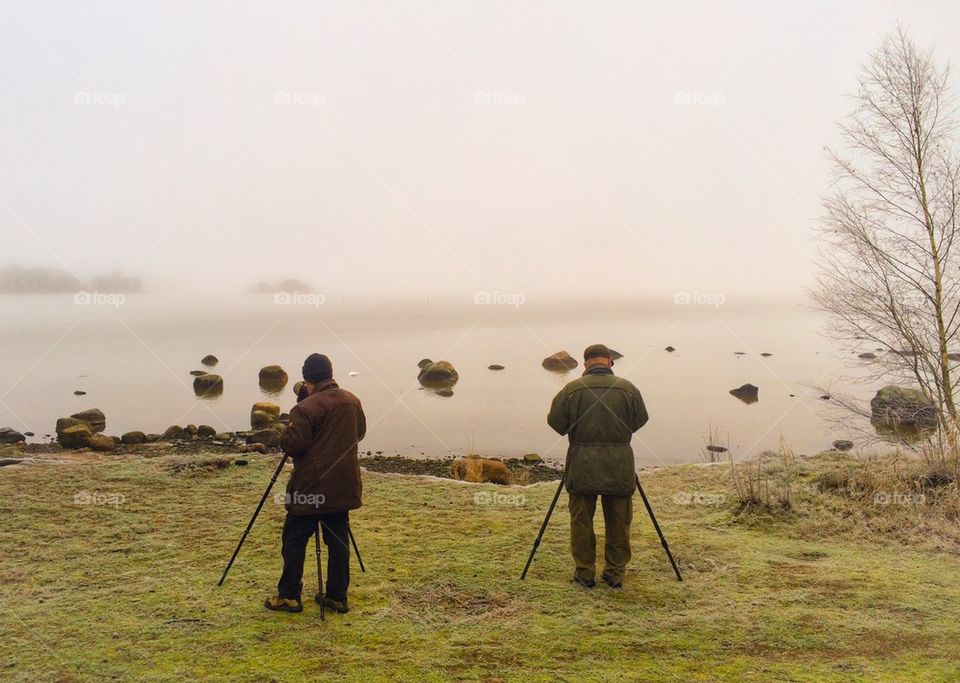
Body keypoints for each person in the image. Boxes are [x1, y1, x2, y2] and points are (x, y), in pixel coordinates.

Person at [264, 353, 366, 614]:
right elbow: (360, 433)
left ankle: (288, 596)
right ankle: (337, 596)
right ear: (330, 374)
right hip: (344, 486)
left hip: (310, 490)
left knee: (294, 539)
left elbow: (292, 444)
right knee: (338, 540)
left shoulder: (305, 409)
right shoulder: (352, 401)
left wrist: (292, 421)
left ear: (307, 379)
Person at [547, 344, 648, 589]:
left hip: (581, 464)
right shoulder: (628, 389)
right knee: (619, 522)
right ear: (610, 362)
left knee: (581, 521)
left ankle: (584, 573)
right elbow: (640, 419)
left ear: (585, 363)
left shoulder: (571, 390)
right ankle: (614, 574)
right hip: (619, 465)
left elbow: (556, 422)